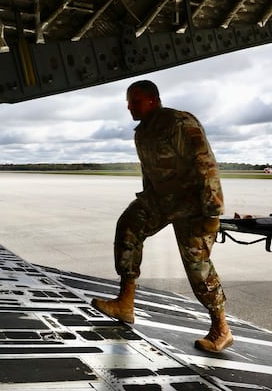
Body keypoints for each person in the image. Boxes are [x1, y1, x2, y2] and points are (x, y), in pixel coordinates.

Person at [91, 79, 231, 352]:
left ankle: (221, 329)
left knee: (197, 266)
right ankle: (125, 303)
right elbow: (149, 172)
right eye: (128, 101)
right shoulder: (142, 133)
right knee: (129, 225)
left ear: (153, 100)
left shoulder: (179, 122)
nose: (129, 106)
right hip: (161, 200)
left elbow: (205, 163)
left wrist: (213, 211)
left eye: (135, 100)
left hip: (193, 203)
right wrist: (147, 200)